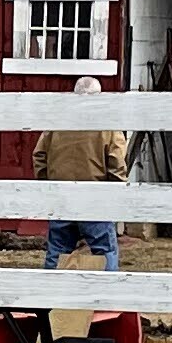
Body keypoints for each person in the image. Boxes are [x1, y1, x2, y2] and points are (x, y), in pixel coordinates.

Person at [38, 75, 128, 270]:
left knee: (57, 249)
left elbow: (39, 156)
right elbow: (116, 162)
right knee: (105, 249)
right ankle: (106, 292)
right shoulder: (107, 126)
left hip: (61, 195)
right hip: (95, 196)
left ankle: (50, 293)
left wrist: (48, 183)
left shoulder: (56, 124)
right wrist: (116, 191)